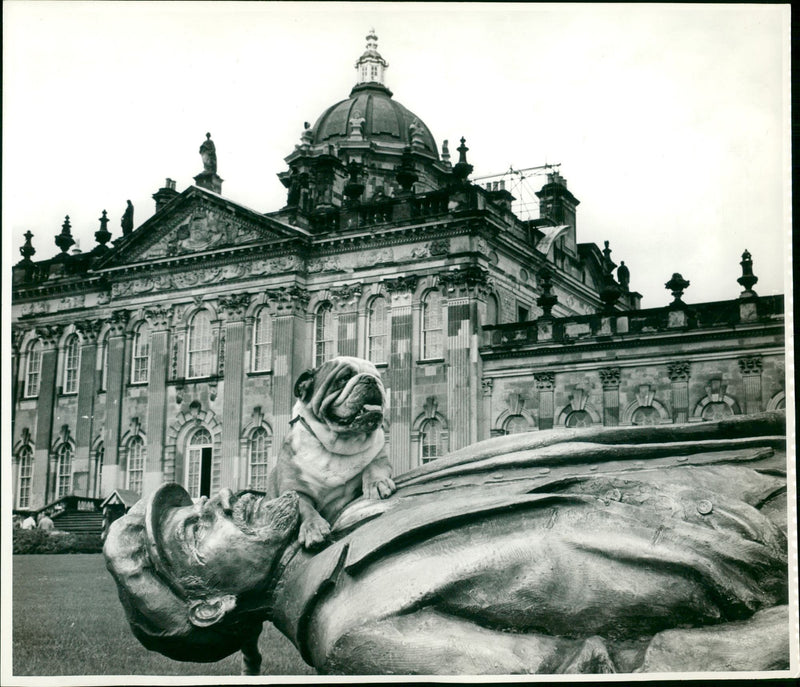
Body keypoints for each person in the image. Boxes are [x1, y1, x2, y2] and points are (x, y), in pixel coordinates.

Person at [104, 412, 790, 675]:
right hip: (746, 566)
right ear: (211, 604)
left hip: (725, 486)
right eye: (198, 526)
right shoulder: (350, 634)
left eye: (198, 499)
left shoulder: (356, 515)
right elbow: (583, 668)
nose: (219, 496)